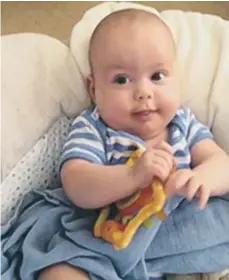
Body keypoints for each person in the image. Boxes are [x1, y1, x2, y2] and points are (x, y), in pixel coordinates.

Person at [38, 8, 229, 280]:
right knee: (58, 270)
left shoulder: (181, 123)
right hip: (105, 241)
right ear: (94, 90)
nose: (143, 92)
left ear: (178, 78)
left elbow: (221, 162)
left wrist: (200, 178)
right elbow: (76, 183)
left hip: (174, 236)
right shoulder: (94, 127)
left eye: (157, 76)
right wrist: (131, 175)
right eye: (122, 80)